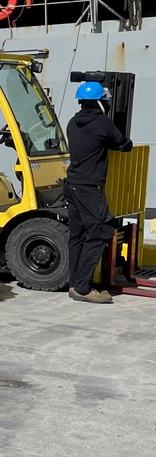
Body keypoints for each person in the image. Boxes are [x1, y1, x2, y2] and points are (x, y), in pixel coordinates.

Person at [64, 81, 132, 304]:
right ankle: (83, 288)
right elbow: (122, 143)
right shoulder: (103, 123)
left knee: (78, 236)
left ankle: (74, 284)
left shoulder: (72, 123)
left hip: (72, 184)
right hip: (89, 188)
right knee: (101, 231)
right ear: (101, 103)